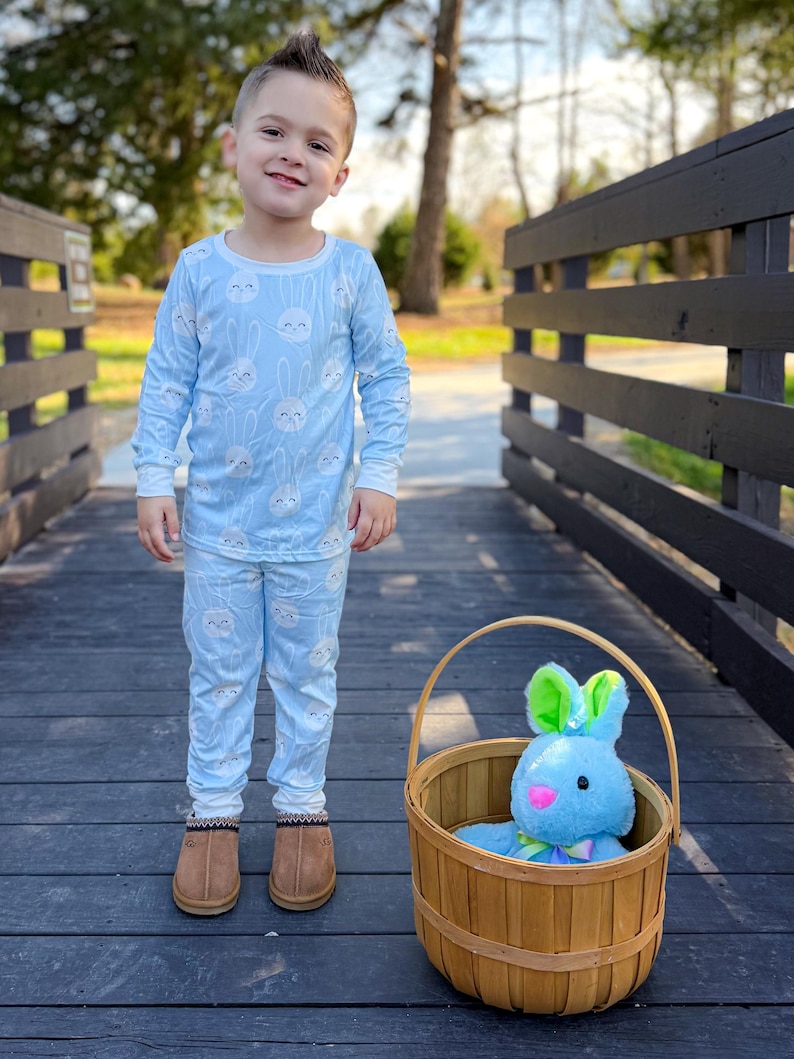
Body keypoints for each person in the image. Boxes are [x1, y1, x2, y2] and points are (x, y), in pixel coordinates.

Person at [132, 27, 410, 916]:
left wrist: (382, 473)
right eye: (275, 132)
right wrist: (150, 477)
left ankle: (301, 806)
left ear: (342, 173)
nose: (294, 153)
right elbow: (166, 382)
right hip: (216, 525)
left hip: (314, 529)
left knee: (304, 669)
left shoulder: (350, 275)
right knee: (218, 669)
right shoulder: (199, 270)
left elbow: (389, 379)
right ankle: (213, 809)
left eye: (318, 143)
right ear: (234, 145)